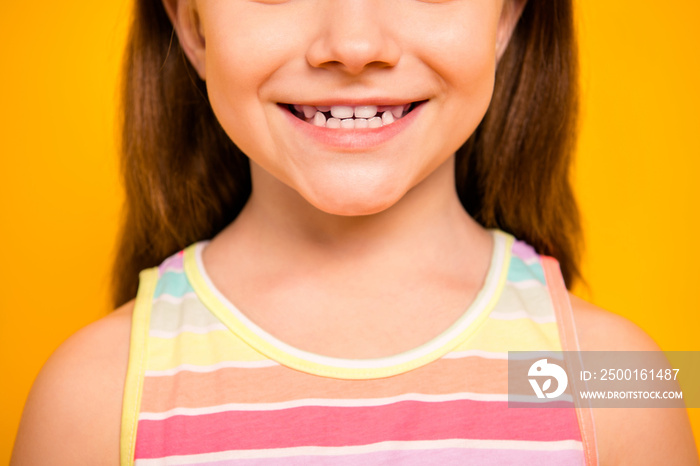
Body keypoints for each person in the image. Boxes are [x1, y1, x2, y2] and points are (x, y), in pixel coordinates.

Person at [11, 0, 698, 464]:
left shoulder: (620, 377)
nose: (354, 45)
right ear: (191, 23)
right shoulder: (89, 397)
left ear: (507, 13)